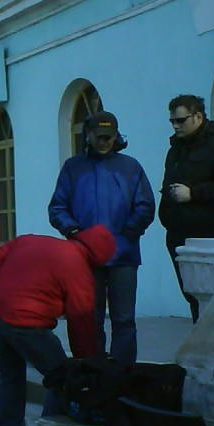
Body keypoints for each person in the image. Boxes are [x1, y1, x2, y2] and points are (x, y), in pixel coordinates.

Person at [0, 225, 115, 426]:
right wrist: (87, 364)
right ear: (98, 258)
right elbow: (82, 323)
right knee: (62, 378)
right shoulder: (79, 270)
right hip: (28, 325)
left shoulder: (29, 240)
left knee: (10, 377)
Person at [48, 111, 155, 363]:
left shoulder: (130, 167)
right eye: (99, 137)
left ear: (117, 136)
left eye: (109, 137)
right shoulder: (73, 167)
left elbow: (145, 205)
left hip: (124, 255)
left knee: (124, 319)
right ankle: (93, 370)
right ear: (88, 135)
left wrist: (129, 233)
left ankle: (123, 373)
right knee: (89, 318)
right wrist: (74, 232)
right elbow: (57, 207)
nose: (104, 142)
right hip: (84, 258)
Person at [159, 94, 214, 323]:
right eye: (172, 121)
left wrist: (194, 193)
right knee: (193, 296)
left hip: (211, 236)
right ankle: (201, 347)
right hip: (180, 235)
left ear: (198, 117)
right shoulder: (176, 150)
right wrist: (167, 216)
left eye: (180, 120)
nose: (175, 125)